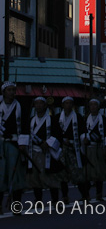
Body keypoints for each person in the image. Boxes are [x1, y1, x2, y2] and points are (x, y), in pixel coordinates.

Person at [26, 97, 63, 204]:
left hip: (47, 152)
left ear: (45, 105)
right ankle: (38, 200)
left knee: (50, 176)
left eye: (40, 103)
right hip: (34, 151)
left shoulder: (52, 120)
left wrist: (48, 143)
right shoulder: (31, 120)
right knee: (35, 177)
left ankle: (55, 200)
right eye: (36, 103)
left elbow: (58, 134)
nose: (38, 106)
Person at [0, 81, 29, 213]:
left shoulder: (20, 106)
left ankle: (16, 204)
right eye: (9, 90)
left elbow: (24, 125)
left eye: (13, 90)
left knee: (16, 173)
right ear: (4, 92)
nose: (12, 92)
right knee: (1, 174)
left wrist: (22, 143)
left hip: (14, 143)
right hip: (1, 142)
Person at [57, 96, 88, 203]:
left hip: (73, 147)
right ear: (63, 105)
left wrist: (84, 138)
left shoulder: (78, 117)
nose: (68, 105)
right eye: (66, 103)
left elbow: (83, 130)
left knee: (77, 172)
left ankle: (84, 195)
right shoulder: (57, 118)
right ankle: (65, 196)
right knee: (62, 173)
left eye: (70, 103)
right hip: (61, 148)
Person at [83, 98, 106, 201]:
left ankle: (99, 193)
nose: (93, 107)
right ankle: (86, 195)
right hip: (89, 148)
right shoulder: (85, 119)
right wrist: (84, 139)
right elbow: (82, 132)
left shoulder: (104, 120)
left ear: (98, 107)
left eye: (95, 105)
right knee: (87, 172)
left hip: (99, 147)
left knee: (99, 172)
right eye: (91, 105)